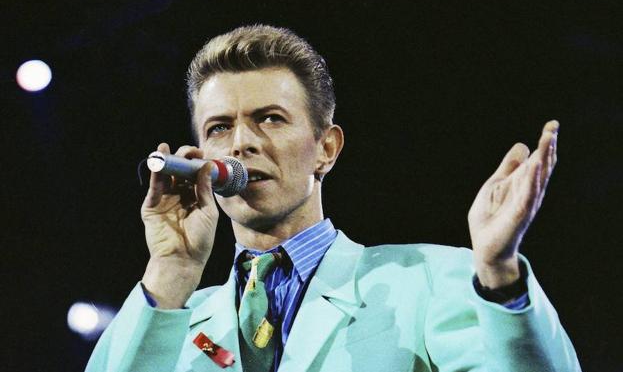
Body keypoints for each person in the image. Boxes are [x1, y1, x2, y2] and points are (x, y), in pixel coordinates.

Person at [86, 25, 581, 372]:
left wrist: (499, 277)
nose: (241, 143)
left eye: (270, 118)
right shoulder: (173, 318)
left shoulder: (431, 280)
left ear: (327, 149)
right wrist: (170, 272)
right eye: (220, 127)